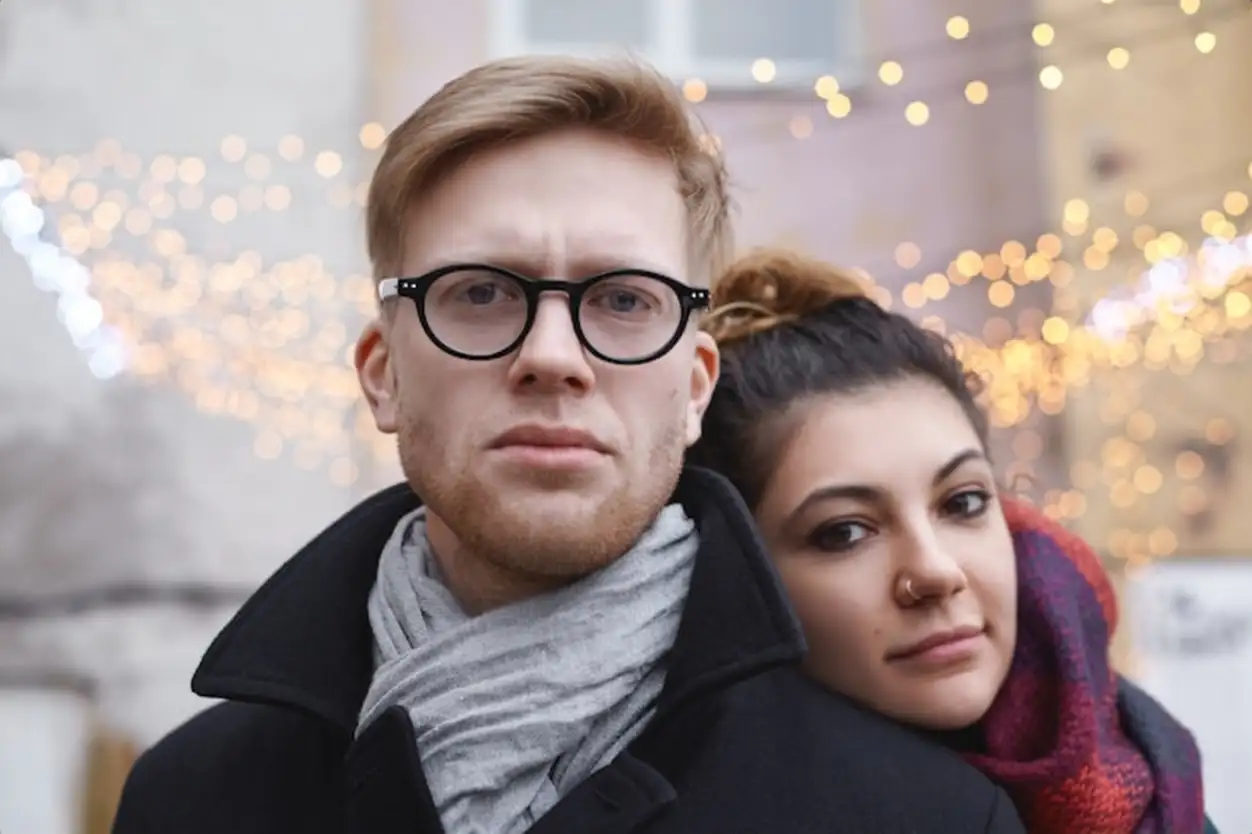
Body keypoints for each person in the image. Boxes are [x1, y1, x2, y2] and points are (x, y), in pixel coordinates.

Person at [110, 56, 1026, 834]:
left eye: (624, 300)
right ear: (382, 372)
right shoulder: (195, 800)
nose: (553, 356)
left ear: (696, 383)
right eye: (479, 293)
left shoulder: (916, 816)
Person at [688, 247, 1216, 834]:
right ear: (741, 576)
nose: (935, 573)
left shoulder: (1142, 767)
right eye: (844, 533)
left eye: (962, 503)